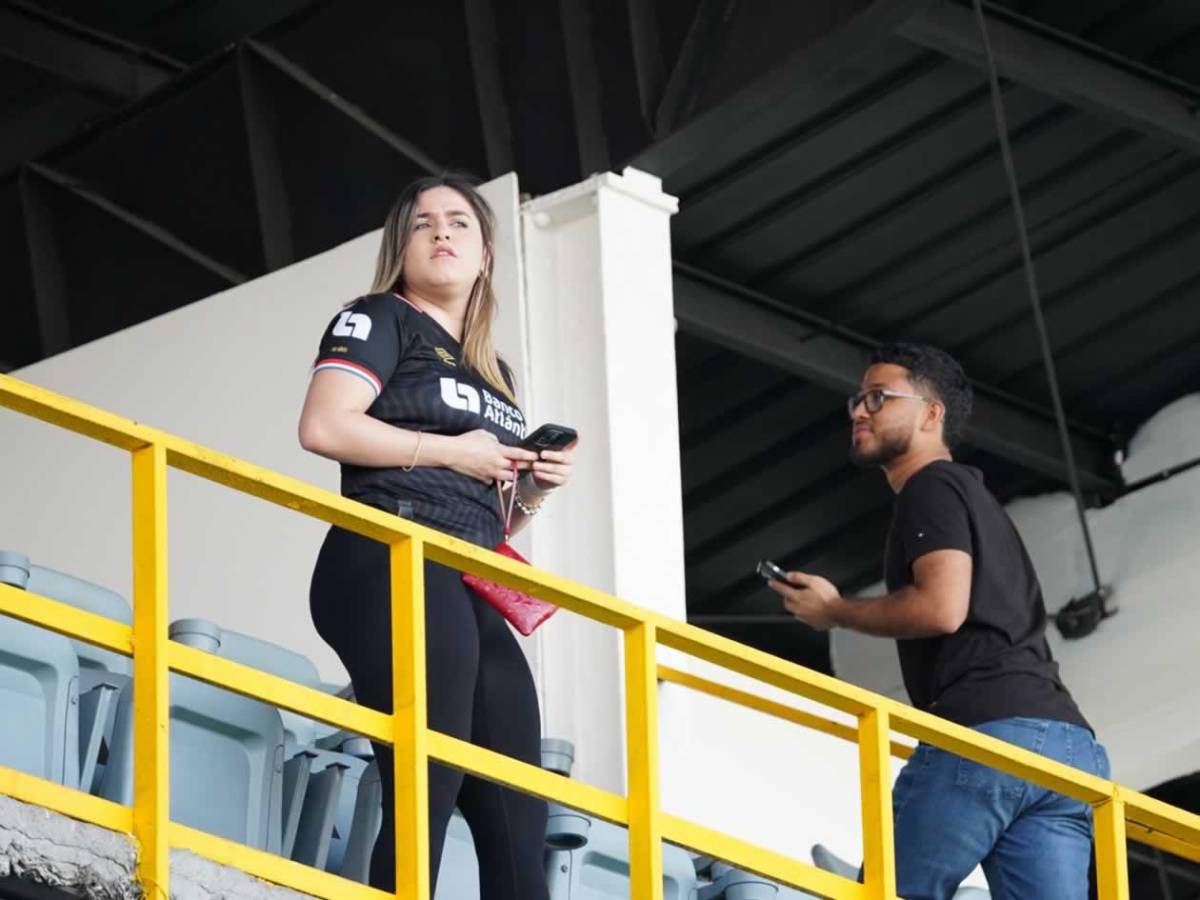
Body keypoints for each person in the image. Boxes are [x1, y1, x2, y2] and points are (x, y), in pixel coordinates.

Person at [298, 173, 576, 896]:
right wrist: (457, 449)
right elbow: (324, 426)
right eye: (424, 224)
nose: (442, 233)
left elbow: (488, 510)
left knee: (518, 809)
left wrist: (534, 487)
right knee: (430, 776)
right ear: (403, 247)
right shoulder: (378, 318)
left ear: (485, 255)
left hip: (468, 573)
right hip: (389, 553)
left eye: (459, 223)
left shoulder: (496, 372)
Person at [769, 342, 1107, 900]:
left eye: (879, 398)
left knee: (886, 893)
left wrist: (835, 612)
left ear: (932, 413)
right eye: (857, 400)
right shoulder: (972, 498)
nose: (859, 411)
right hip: (1068, 751)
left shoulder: (931, 486)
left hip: (989, 734)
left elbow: (941, 608)